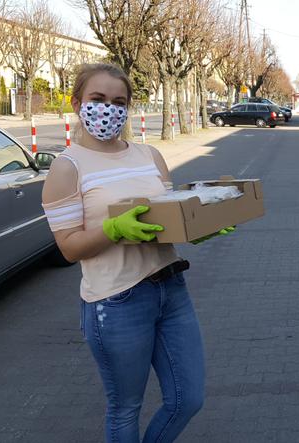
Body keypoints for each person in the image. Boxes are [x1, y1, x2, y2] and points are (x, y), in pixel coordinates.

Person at [41, 63, 216, 442]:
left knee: (188, 400)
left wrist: (199, 227)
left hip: (171, 290)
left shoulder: (149, 155)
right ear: (77, 103)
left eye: (119, 102)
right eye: (98, 99)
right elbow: (68, 248)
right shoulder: (66, 168)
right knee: (125, 409)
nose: (109, 109)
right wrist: (113, 229)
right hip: (115, 302)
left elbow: (167, 216)